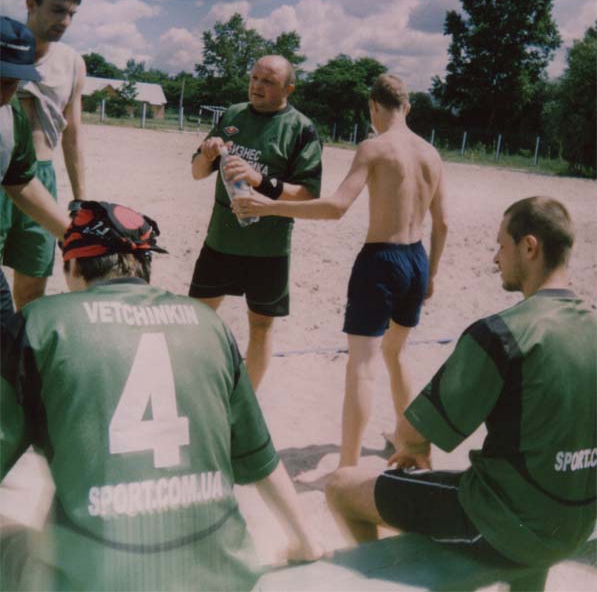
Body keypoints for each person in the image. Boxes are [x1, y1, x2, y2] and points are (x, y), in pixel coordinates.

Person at [0, 200, 323, 591]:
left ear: (73, 267)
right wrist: (304, 540)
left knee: (10, 534)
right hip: (223, 578)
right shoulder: (209, 325)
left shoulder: (41, 323)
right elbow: (261, 459)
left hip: (99, 582)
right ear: (146, 265)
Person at [324, 196, 596, 573]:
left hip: (506, 526)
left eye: (501, 245)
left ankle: (386, 578)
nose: (496, 258)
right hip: (576, 525)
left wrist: (415, 446)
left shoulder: (505, 333)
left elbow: (411, 433)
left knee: (342, 486)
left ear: (529, 247)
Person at [233, 74, 448, 466]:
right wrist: (431, 274)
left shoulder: (374, 147)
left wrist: (270, 206)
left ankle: (348, 466)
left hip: (381, 260)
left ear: (374, 106)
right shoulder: (431, 153)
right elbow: (444, 224)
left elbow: (336, 207)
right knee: (397, 355)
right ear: (407, 107)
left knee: (362, 366)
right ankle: (412, 445)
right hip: (416, 258)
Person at [189, 54, 322, 390]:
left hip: (269, 249)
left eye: (268, 82)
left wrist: (259, 180)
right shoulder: (233, 115)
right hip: (221, 241)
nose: (257, 86)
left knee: (261, 328)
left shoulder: (301, 128)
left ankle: (246, 400)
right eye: (254, 78)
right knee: (196, 320)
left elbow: (308, 194)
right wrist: (206, 154)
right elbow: (197, 173)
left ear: (288, 89)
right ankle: (195, 390)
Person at [0, 0, 86, 310]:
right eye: (57, 10)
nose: (65, 21)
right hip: (5, 170)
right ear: (31, 4)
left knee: (32, 285)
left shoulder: (72, 63)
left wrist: (81, 202)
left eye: (72, 14)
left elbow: (73, 135)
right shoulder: (5, 45)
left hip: (35, 175)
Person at [0, 16, 70, 327]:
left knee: (7, 338)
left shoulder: (10, 116)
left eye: (12, 83)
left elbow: (20, 181)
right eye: (0, 79)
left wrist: (72, 235)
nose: (4, 94)